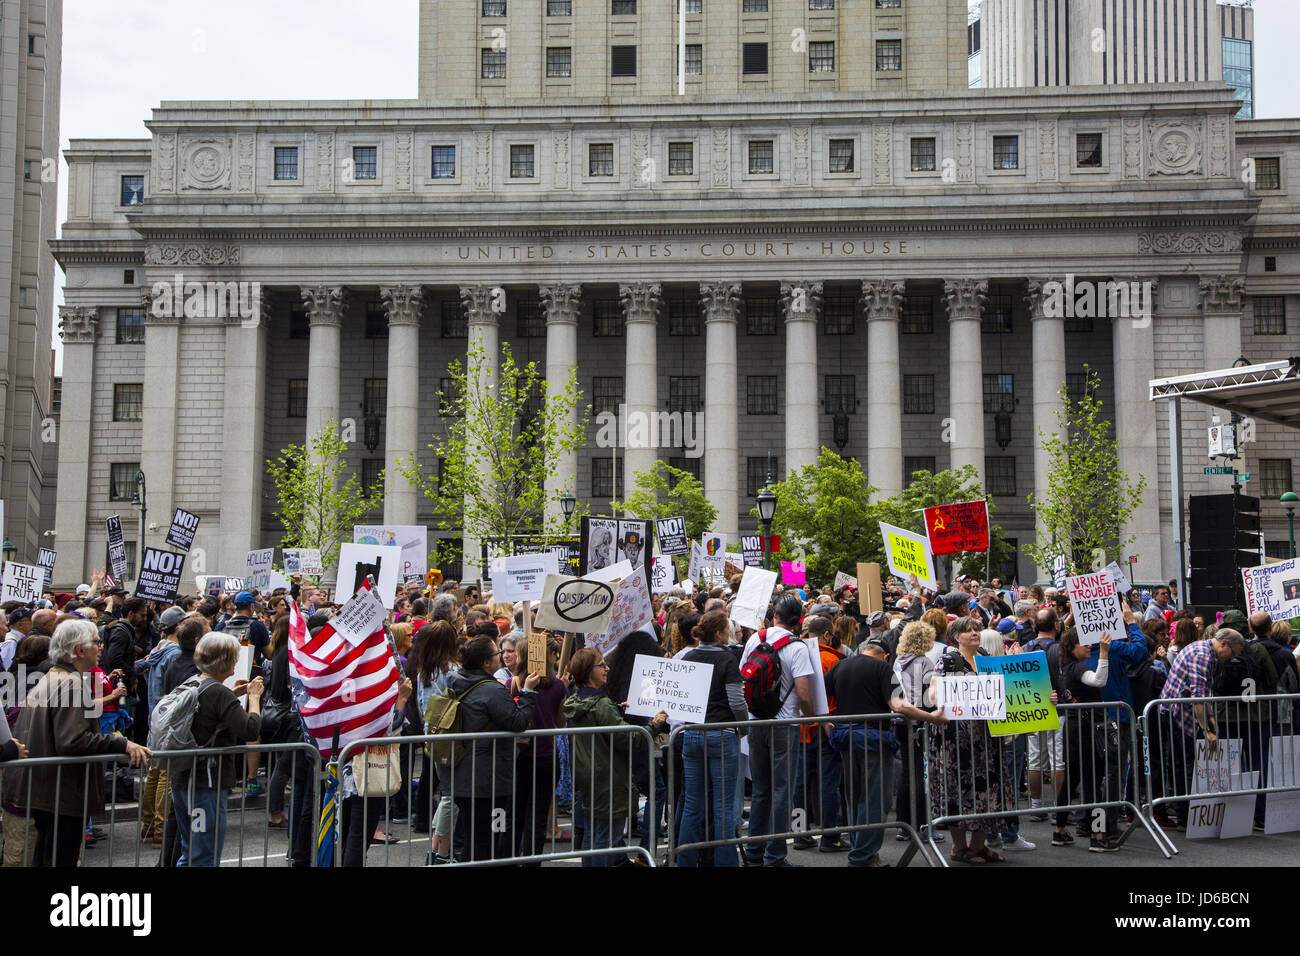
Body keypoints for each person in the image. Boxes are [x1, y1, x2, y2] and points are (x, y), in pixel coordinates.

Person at [3, 618, 150, 866]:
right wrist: (121, 744)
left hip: (48, 791)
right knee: (59, 858)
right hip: (60, 794)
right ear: (79, 650)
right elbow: (72, 740)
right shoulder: (70, 683)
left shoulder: (54, 676)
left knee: (46, 856)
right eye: (96, 642)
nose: (101, 647)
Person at [165, 633, 263, 867]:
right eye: (234, 659)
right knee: (203, 855)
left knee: (190, 853)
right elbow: (250, 729)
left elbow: (209, 713)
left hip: (183, 780)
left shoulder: (193, 682)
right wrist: (254, 698)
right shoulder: (219, 693)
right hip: (206, 783)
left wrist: (234, 694)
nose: (236, 664)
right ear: (225, 660)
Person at [562, 647, 667, 866]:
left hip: (590, 777)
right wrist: (654, 725)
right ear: (588, 671)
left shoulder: (576, 702)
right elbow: (631, 740)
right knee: (605, 839)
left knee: (593, 837)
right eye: (601, 665)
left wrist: (615, 711)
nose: (607, 668)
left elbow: (602, 726)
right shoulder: (601, 705)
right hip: (609, 780)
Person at [445, 635, 540, 863]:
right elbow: (518, 722)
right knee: (488, 841)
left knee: (474, 837)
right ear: (486, 662)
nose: (502, 656)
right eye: (497, 653)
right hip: (488, 779)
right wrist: (528, 692)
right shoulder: (491, 690)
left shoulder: (456, 680)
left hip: (464, 774)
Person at [740, 593, 818, 867]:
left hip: (755, 721)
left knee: (761, 789)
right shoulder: (798, 648)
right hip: (785, 724)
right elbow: (805, 694)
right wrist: (811, 719)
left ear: (775, 615)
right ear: (799, 621)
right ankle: (775, 855)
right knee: (782, 790)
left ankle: (754, 852)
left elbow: (743, 677)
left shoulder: (754, 639)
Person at [927, 615, 1012, 863]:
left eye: (977, 628)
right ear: (956, 637)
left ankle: (978, 846)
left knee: (989, 788)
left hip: (986, 738)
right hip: (956, 739)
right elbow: (933, 692)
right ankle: (959, 848)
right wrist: (943, 700)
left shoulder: (987, 658)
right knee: (958, 790)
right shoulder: (948, 659)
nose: (974, 633)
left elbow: (1011, 689)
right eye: (968, 630)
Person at [1152, 628, 1245, 829]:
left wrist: (1211, 727)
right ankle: (1184, 815)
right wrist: (1209, 732)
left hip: (1180, 713)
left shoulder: (1206, 652)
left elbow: (1204, 696)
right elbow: (1199, 698)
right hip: (1177, 715)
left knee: (1182, 764)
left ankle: (1184, 812)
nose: (1232, 659)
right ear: (1224, 644)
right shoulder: (1202, 655)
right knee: (1184, 765)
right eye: (1233, 653)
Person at [675, 610, 748, 867]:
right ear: (718, 634)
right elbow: (736, 700)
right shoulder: (727, 660)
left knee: (693, 805)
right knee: (724, 808)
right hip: (721, 734)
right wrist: (744, 725)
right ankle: (725, 863)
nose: (730, 633)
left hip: (692, 733)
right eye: (727, 629)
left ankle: (685, 861)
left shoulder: (690, 656)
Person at [138, 605, 187, 845]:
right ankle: (159, 826)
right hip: (167, 718)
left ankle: (148, 824)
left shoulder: (158, 650)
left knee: (155, 772)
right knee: (166, 774)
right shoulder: (175, 653)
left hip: (154, 716)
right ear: (178, 626)